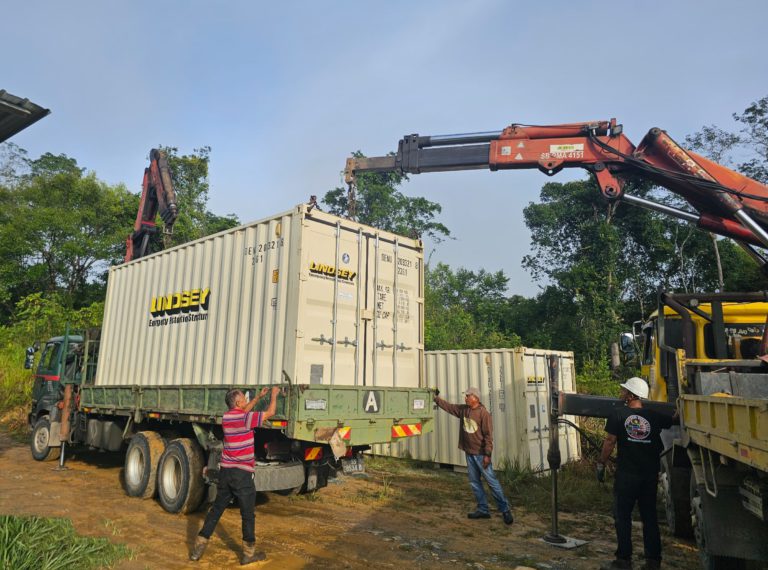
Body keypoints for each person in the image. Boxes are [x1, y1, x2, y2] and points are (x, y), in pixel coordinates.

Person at [190, 385, 281, 565]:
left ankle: (197, 549)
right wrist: (273, 395)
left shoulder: (227, 417)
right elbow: (270, 412)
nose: (247, 400)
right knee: (247, 514)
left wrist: (257, 397)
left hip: (226, 472)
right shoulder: (245, 418)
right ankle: (248, 554)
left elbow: (244, 411)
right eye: (244, 398)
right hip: (242, 474)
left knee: (216, 510)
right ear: (238, 402)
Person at [597, 377, 674, 570]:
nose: (621, 392)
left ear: (631, 395)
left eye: (624, 391)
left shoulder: (618, 414)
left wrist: (601, 463)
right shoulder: (653, 416)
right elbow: (675, 420)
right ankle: (653, 561)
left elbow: (609, 441)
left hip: (627, 476)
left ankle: (624, 560)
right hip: (649, 477)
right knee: (649, 517)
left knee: (623, 516)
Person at [434, 386, 513, 525]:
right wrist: (436, 399)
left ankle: (505, 510)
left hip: (481, 455)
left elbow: (489, 436)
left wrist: (488, 455)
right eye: (465, 396)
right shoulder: (464, 410)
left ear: (475, 398)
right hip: (469, 453)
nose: (465, 398)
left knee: (492, 482)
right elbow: (449, 407)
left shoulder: (484, 414)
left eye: (467, 396)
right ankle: (483, 510)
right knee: (475, 483)